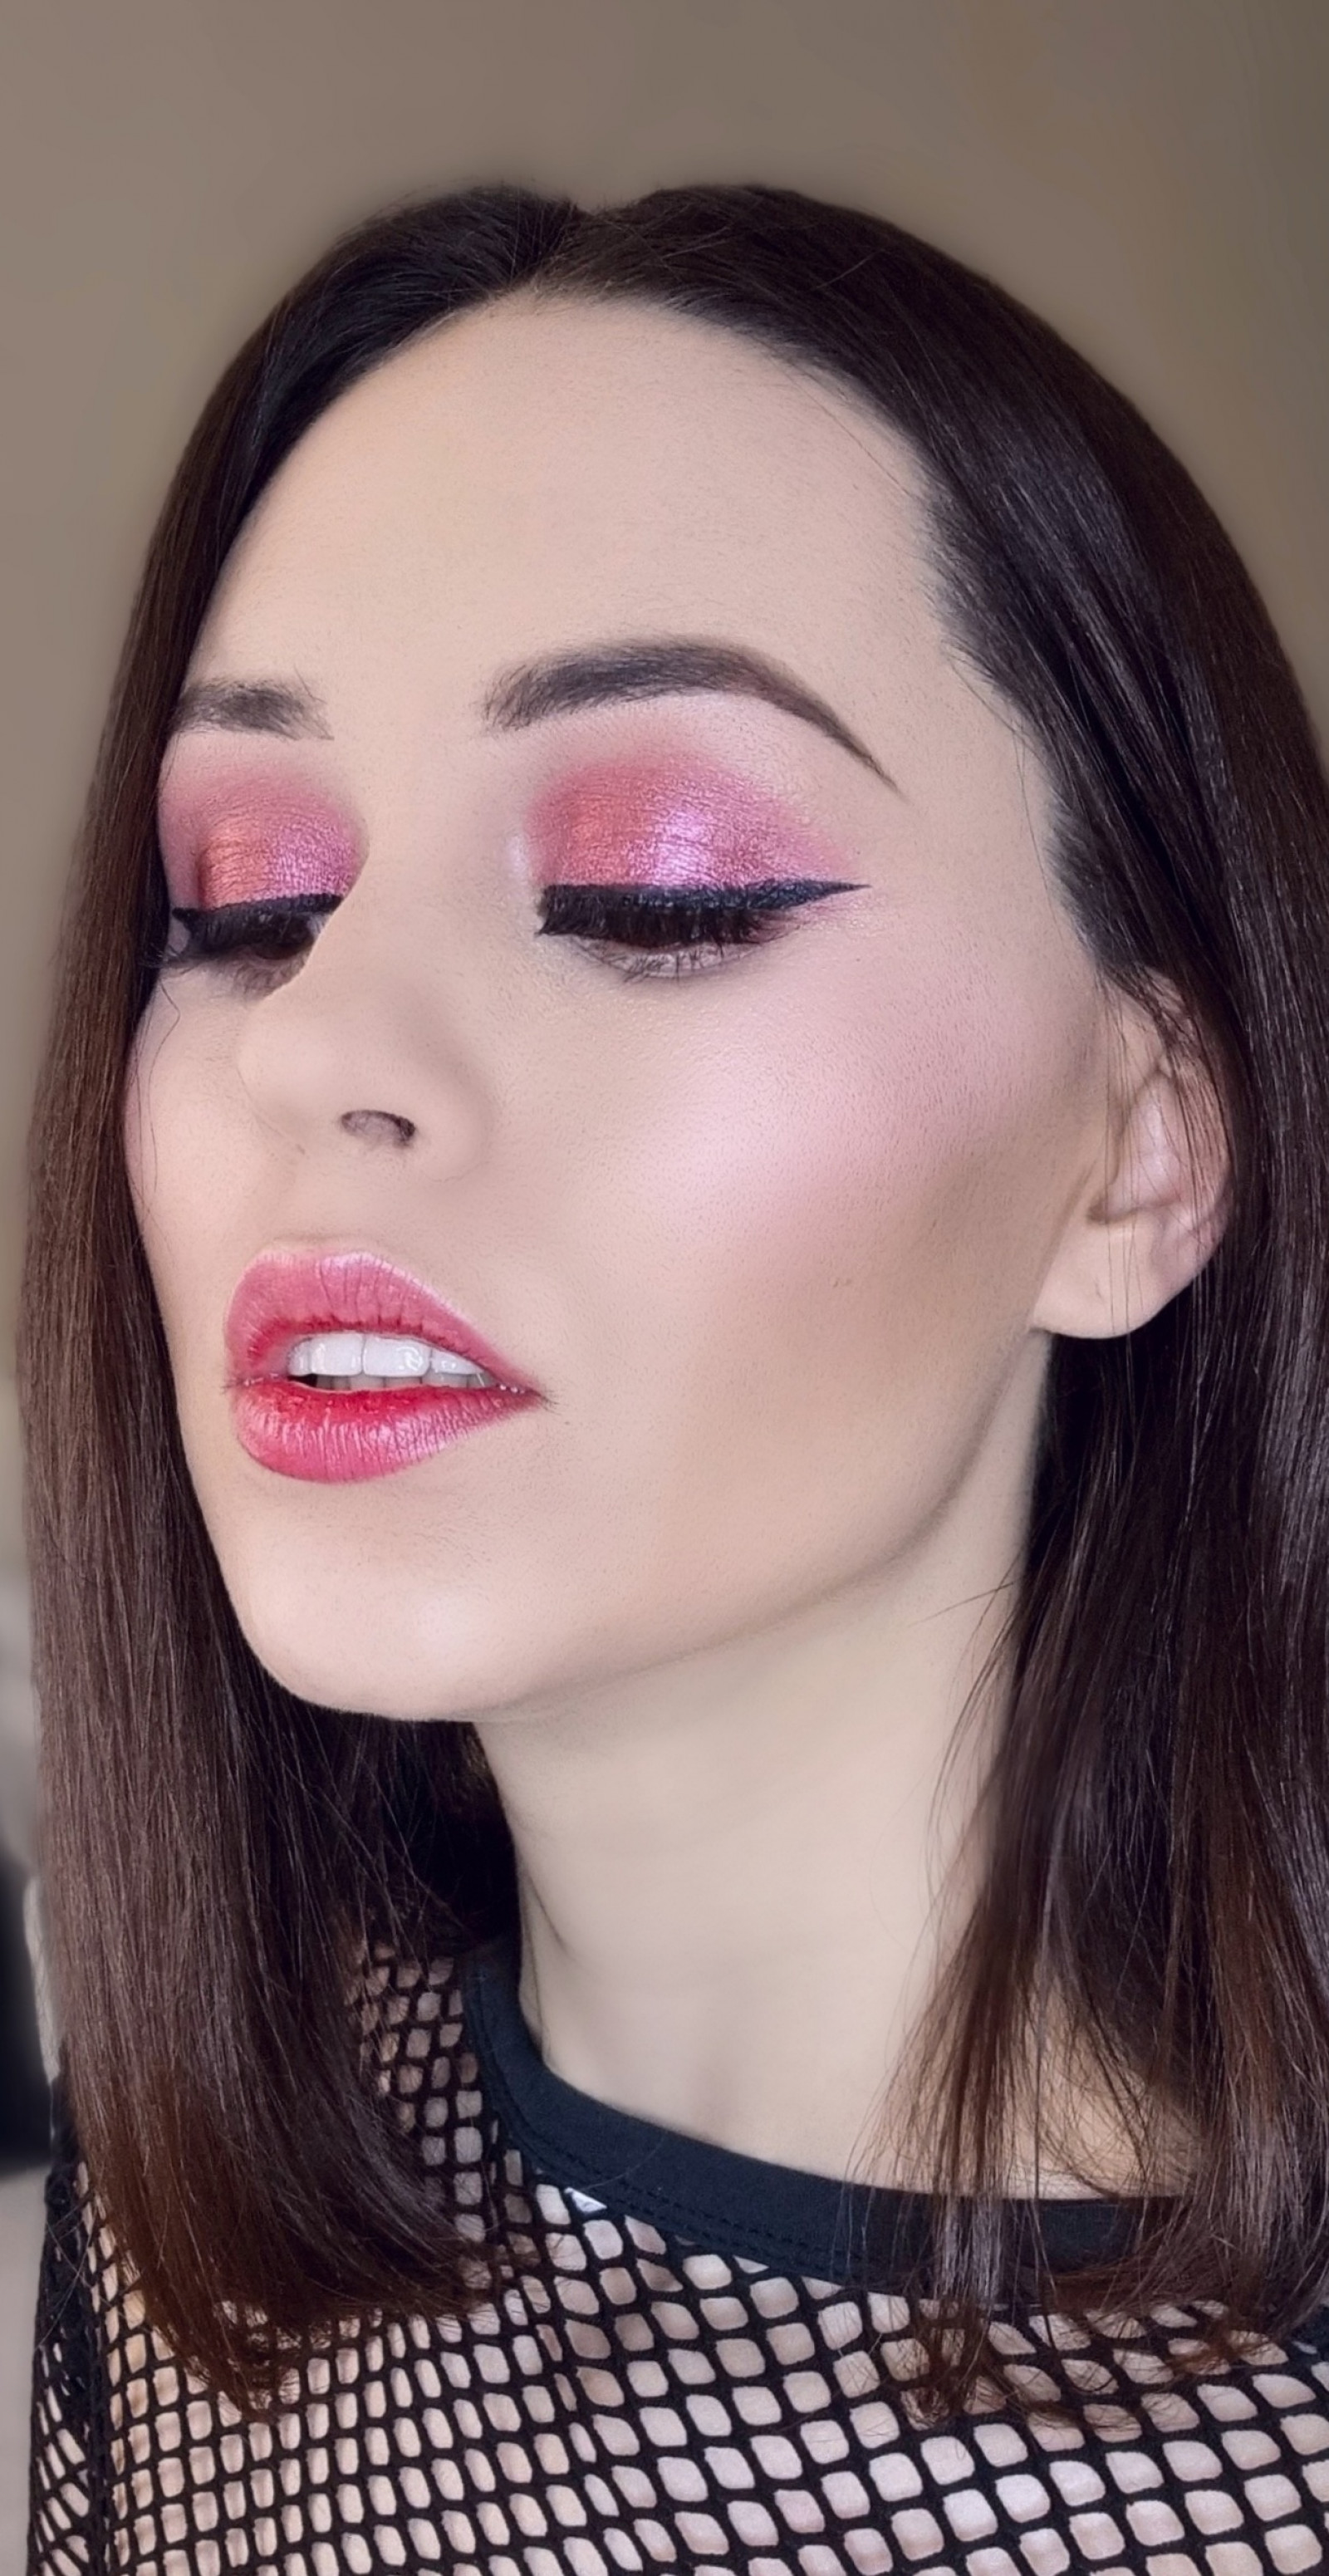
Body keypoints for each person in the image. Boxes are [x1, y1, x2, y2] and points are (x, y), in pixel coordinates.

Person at [21, 181, 1329, 2575]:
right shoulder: (189, 2260)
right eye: (247, 901)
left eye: (655, 890)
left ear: (1136, 1154)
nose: (318, 1039)